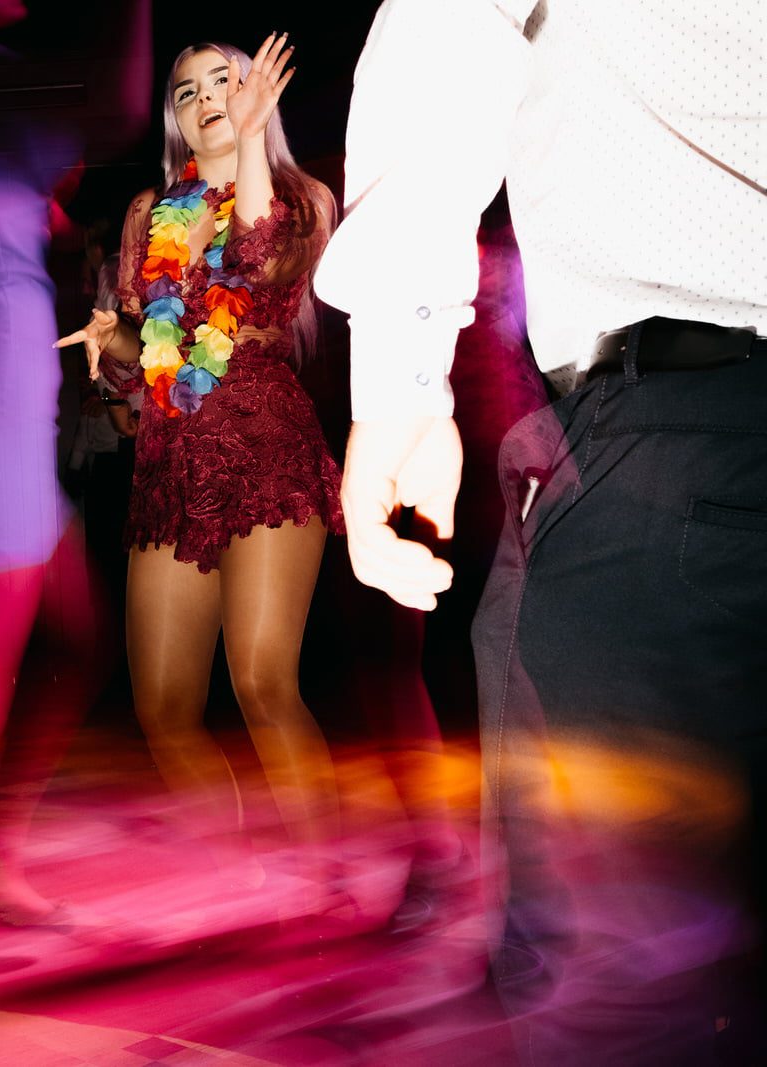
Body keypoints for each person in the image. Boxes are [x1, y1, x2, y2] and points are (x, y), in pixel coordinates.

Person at [314, 1, 765, 1061]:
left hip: (674, 428)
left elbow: (449, 28)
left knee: (627, 992)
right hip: (623, 434)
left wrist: (399, 382)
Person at [59, 35, 345, 892]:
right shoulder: (152, 213)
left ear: (257, 95)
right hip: (170, 459)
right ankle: (245, 884)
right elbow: (148, 359)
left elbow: (255, 260)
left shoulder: (302, 197)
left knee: (262, 681)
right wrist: (111, 339)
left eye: (223, 81)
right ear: (173, 120)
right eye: (185, 91)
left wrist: (251, 142)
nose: (205, 98)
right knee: (164, 708)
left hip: (266, 450)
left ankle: (325, 890)